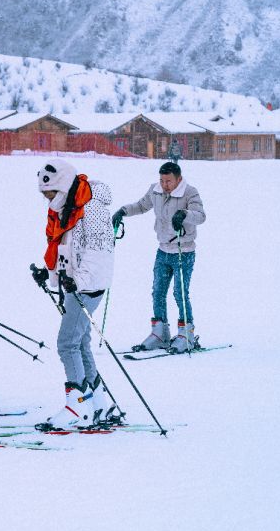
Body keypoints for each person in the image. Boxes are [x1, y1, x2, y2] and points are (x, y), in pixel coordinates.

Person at [31, 159, 117, 429]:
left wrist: (77, 281)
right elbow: (68, 248)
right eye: (45, 194)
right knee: (79, 342)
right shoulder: (67, 207)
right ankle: (97, 402)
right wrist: (51, 273)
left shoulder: (90, 208)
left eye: (52, 193)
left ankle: (77, 407)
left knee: (67, 343)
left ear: (64, 185)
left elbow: (98, 253)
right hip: (77, 284)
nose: (48, 199)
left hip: (89, 286)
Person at [112, 161, 206, 353]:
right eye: (162, 180)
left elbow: (200, 216)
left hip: (183, 250)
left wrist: (184, 214)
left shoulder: (190, 192)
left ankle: (186, 333)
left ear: (178, 179)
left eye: (169, 181)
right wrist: (123, 211)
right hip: (163, 250)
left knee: (180, 293)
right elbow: (141, 205)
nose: (165, 185)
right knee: (157, 292)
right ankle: (160, 333)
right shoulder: (155, 191)